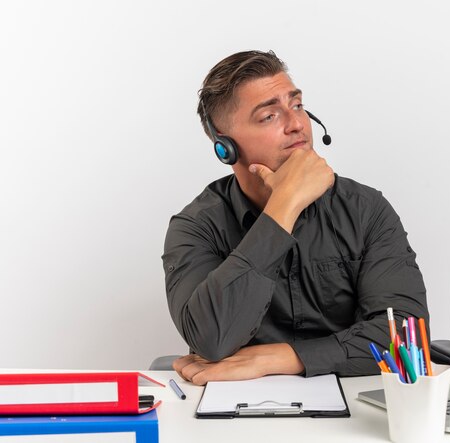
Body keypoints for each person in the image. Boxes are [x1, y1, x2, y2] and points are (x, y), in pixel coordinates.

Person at [162, 50, 429, 385]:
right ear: (225, 148)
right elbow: (212, 339)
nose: (297, 125)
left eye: (297, 105)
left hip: (353, 401)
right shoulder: (197, 227)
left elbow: (406, 338)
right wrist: (283, 208)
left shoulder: (365, 209)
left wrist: (277, 358)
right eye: (269, 116)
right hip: (235, 413)